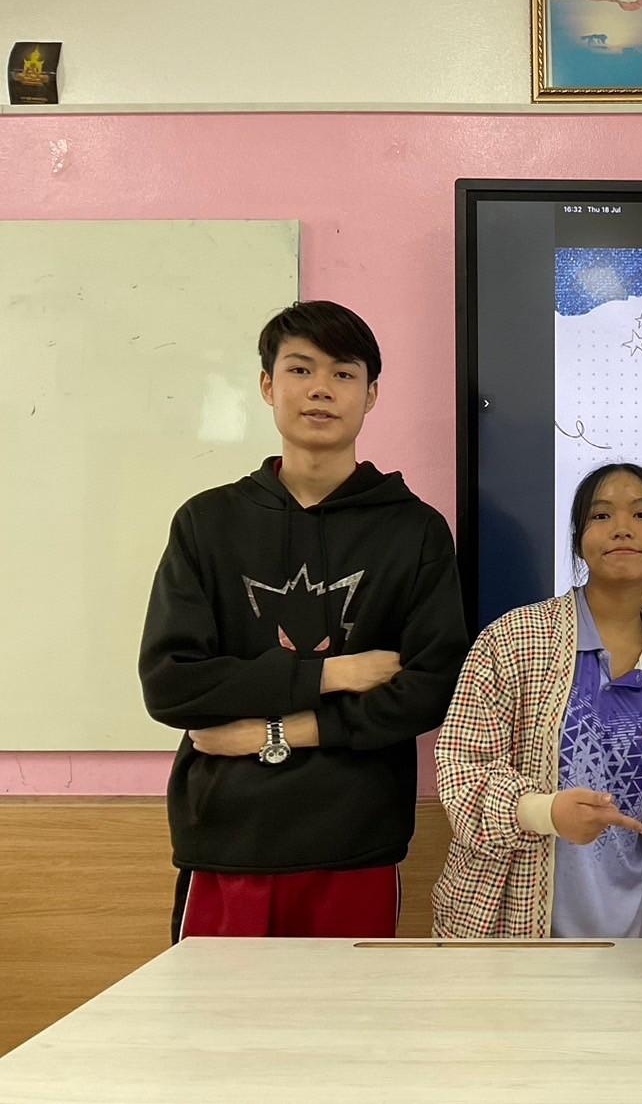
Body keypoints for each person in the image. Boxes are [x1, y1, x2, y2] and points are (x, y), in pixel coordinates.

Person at [139, 300, 468, 941]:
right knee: (217, 1010)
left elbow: (430, 688)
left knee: (350, 1012)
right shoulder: (207, 523)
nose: (321, 388)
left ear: (371, 395)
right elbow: (171, 686)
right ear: (268, 385)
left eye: (344, 373)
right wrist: (332, 674)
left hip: (357, 842)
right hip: (228, 842)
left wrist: (278, 730)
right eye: (300, 369)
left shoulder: (416, 531)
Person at [431, 463, 642, 938]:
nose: (622, 528)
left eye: (641, 514)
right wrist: (545, 812)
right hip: (510, 930)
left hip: (633, 934)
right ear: (578, 541)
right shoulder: (514, 639)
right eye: (601, 516)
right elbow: (460, 772)